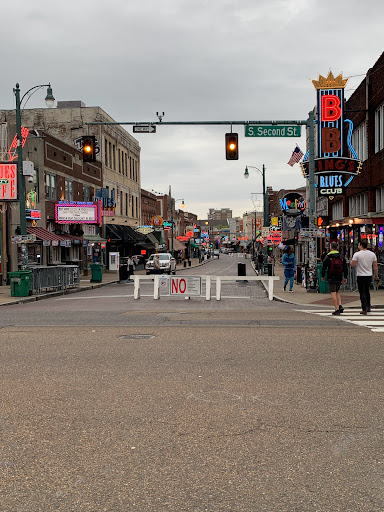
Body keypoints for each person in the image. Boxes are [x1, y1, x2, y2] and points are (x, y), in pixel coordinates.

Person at [350, 240, 379, 315]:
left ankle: (364, 308)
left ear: (361, 246)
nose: (358, 246)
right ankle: (368, 306)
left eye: (359, 245)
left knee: (362, 291)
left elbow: (352, 264)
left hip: (360, 275)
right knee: (367, 291)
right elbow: (375, 266)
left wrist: (353, 263)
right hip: (369, 274)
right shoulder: (372, 254)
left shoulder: (357, 254)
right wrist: (376, 276)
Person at [321, 241, 348, 315]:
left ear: (330, 247)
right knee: (337, 291)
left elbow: (324, 267)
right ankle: (340, 305)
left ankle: (336, 308)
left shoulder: (328, 256)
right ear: (337, 247)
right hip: (339, 275)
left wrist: (323, 275)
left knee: (333, 292)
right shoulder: (341, 256)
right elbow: (345, 267)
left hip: (331, 275)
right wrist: (345, 276)